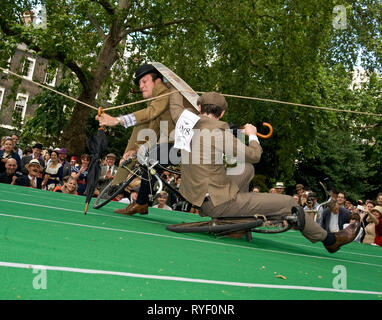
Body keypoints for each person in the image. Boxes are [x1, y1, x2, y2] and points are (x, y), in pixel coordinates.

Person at [176, 92, 359, 253]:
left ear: (199, 108)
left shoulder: (186, 126)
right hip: (217, 202)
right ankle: (330, 241)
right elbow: (255, 155)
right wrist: (253, 135)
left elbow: (178, 107)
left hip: (197, 195)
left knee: (246, 169)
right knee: (288, 202)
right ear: (222, 113)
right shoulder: (218, 132)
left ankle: (234, 224)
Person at [96, 63, 181, 215]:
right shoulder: (157, 98)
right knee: (150, 160)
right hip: (170, 143)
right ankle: (142, 203)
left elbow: (150, 112)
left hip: (180, 143)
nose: (141, 86)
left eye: (144, 81)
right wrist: (137, 149)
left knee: (154, 157)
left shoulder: (163, 91)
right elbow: (154, 126)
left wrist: (117, 120)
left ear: (157, 81)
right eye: (139, 83)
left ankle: (141, 202)